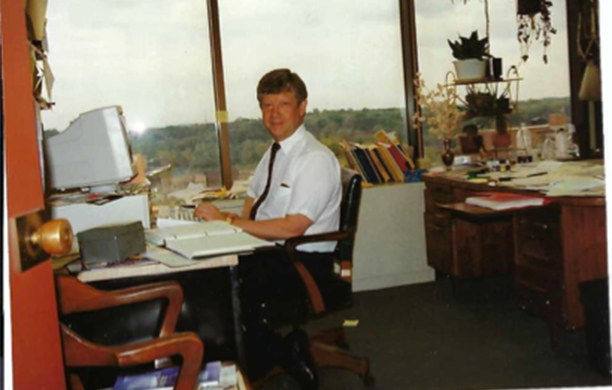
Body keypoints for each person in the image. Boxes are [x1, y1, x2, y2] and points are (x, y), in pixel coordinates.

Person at [195, 69, 342, 388]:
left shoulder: (313, 159)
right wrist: (232, 233)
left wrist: (231, 223)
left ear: (302, 108)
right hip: (271, 252)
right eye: (267, 105)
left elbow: (294, 227)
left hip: (302, 262)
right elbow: (252, 200)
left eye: (284, 104)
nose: (274, 114)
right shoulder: (275, 151)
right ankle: (248, 362)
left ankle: (284, 354)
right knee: (207, 275)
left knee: (219, 291)